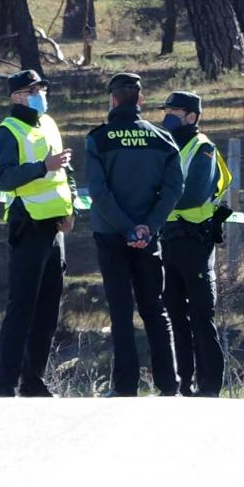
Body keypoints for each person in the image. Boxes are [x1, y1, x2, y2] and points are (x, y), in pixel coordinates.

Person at [85, 73, 184, 397]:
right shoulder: (162, 139)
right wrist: (148, 226)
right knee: (155, 309)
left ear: (113, 100)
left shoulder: (99, 139)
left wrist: (126, 227)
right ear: (140, 100)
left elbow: (98, 191)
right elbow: (173, 189)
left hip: (111, 235)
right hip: (147, 236)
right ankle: (169, 385)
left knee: (121, 311)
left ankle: (125, 386)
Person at [0, 69, 76, 397]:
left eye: (40, 88)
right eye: (31, 89)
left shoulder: (48, 124)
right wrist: (43, 167)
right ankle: (5, 384)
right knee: (22, 306)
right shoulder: (7, 132)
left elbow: (65, 169)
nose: (39, 93)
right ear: (16, 97)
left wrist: (71, 208)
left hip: (55, 227)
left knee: (48, 308)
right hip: (28, 225)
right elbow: (4, 178)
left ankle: (33, 380)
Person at [159, 91, 232, 397]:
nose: (168, 116)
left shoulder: (203, 148)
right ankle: (183, 382)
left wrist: (159, 199)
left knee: (201, 315)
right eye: (167, 110)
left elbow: (194, 194)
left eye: (174, 111)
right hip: (170, 239)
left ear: (191, 116)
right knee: (175, 313)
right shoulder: (167, 146)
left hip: (194, 240)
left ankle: (210, 385)